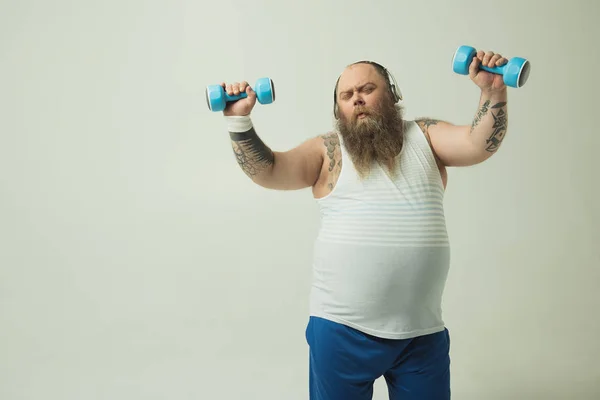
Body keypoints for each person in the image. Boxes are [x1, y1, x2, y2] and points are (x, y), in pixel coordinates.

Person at [218, 49, 509, 400]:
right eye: (347, 94)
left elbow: (478, 144)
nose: (357, 98)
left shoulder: (427, 137)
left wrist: (493, 93)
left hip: (421, 333)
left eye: (367, 89)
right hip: (342, 333)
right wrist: (239, 121)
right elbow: (268, 170)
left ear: (391, 95)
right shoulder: (328, 151)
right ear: (338, 109)